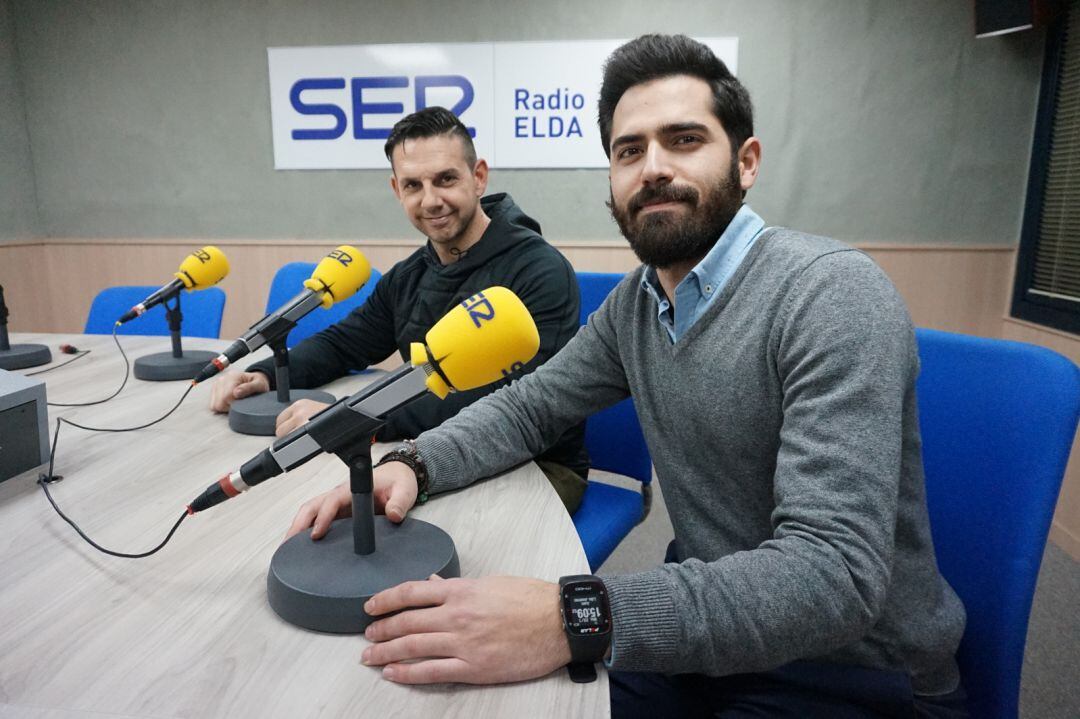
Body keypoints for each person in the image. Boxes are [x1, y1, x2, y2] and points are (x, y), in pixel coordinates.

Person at [286, 35, 969, 718]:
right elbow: (529, 407)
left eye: (684, 139)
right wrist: (412, 462)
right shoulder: (639, 303)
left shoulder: (830, 294)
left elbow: (832, 577)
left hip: (850, 671)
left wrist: (571, 615)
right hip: (709, 645)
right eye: (630, 150)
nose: (653, 168)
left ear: (746, 161)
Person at [211, 106, 588, 511]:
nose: (431, 200)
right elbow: (346, 342)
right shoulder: (409, 275)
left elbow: (509, 403)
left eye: (445, 179)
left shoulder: (540, 271)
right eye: (413, 186)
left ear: (478, 177)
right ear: (396, 190)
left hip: (537, 464)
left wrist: (352, 416)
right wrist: (263, 374)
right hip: (425, 446)